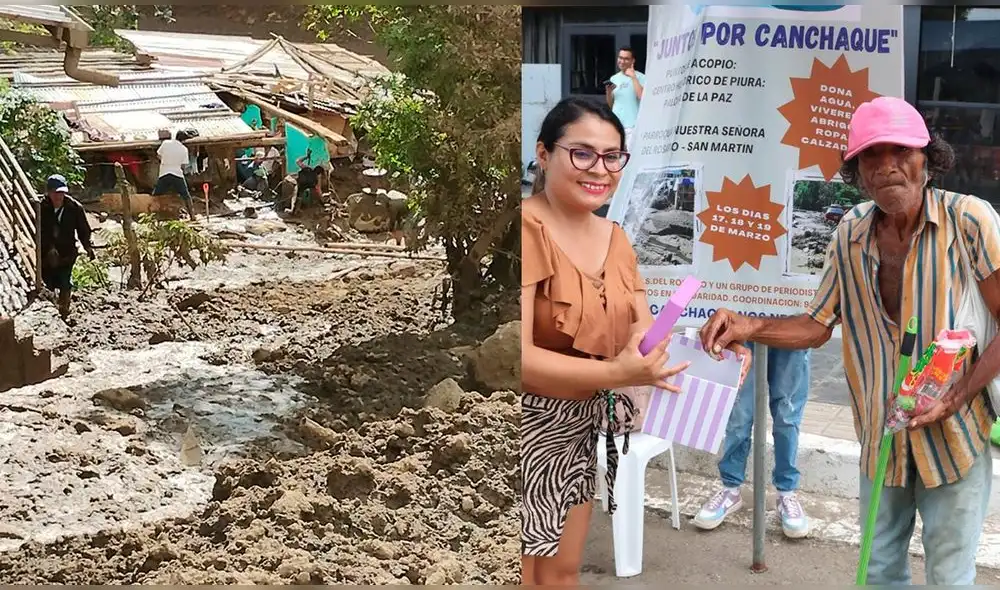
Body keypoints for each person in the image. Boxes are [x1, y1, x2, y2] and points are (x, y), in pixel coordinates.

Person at [699, 96, 999, 586]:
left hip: (954, 438)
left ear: (928, 158)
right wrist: (749, 326)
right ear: (857, 172)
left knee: (950, 578)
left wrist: (956, 397)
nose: (886, 166)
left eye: (900, 151)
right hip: (881, 440)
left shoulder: (968, 221)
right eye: (870, 156)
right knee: (879, 573)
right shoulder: (851, 233)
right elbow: (817, 326)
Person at [521, 97, 743, 585]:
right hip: (524, 428)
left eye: (612, 156)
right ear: (543, 153)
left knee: (560, 574)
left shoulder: (616, 239)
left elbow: (644, 335)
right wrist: (613, 373)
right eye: (582, 153)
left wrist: (707, 349)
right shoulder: (526, 229)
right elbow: (516, 357)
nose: (599, 169)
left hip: (580, 428)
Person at [38, 174, 95, 318]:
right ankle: (50, 310)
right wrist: (48, 248)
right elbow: (34, 229)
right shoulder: (40, 207)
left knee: (65, 281)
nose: (59, 196)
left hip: (66, 252)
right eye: (55, 193)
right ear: (49, 192)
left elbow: (83, 229)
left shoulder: (74, 208)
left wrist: (88, 246)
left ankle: (64, 310)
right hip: (45, 253)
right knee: (48, 282)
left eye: (61, 193)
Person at [605, 46, 645, 151]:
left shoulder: (641, 77)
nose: (622, 61)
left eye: (626, 59)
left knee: (630, 156)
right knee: (617, 155)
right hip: (617, 124)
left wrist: (633, 77)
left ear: (633, 61)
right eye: (620, 58)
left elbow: (642, 96)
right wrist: (608, 92)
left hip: (632, 125)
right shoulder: (614, 78)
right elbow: (611, 105)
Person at [152, 129, 196, 220]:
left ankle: (152, 215)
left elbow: (158, 155)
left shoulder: (166, 143)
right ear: (184, 140)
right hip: (177, 173)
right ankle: (192, 216)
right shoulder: (184, 149)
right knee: (186, 195)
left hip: (164, 172)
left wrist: (165, 161)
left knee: (156, 195)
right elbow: (183, 165)